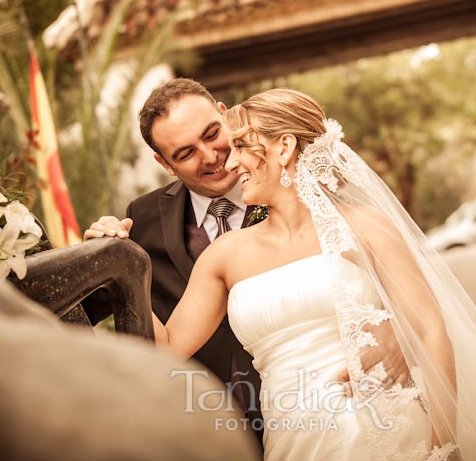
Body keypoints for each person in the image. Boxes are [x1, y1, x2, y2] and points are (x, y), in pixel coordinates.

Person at [149, 88, 476, 460]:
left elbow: (430, 330)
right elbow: (167, 346)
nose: (229, 160)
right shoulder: (223, 256)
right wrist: (123, 263)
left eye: (241, 146)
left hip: (392, 430)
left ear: (284, 147)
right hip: (294, 441)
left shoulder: (364, 226)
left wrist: (443, 446)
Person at [84, 79, 407, 443]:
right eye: (186, 153)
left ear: (225, 116)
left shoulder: (332, 199)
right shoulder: (143, 221)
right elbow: (140, 334)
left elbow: (406, 293)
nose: (212, 157)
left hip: (368, 408)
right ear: (165, 164)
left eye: (212, 134)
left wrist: (402, 332)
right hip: (221, 426)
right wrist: (112, 258)